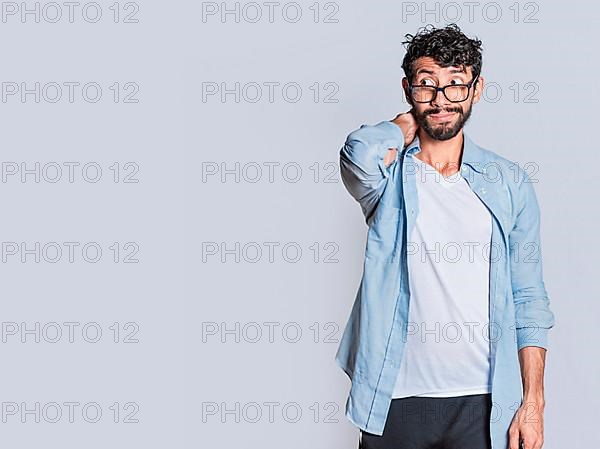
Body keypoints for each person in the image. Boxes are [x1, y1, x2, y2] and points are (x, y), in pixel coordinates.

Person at [335, 23, 555, 449]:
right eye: (426, 85)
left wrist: (533, 403)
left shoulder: (507, 182)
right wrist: (402, 126)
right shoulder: (387, 178)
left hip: (484, 401)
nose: (441, 100)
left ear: (476, 89)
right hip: (395, 395)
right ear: (408, 89)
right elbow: (356, 153)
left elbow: (529, 296)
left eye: (456, 84)